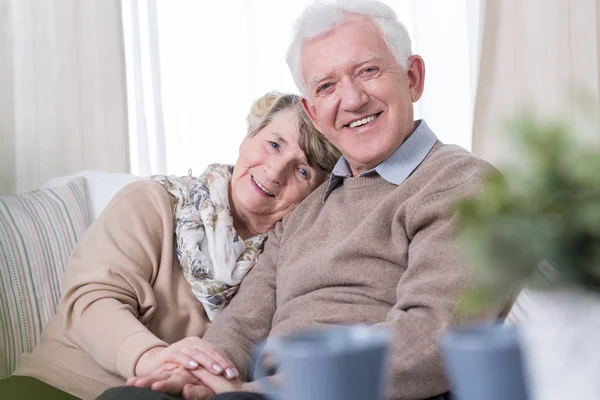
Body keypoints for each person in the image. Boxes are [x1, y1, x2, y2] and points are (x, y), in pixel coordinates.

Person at [101, 0, 508, 399]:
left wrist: (263, 391)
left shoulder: (460, 182)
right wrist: (195, 375)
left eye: (367, 70)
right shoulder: (305, 210)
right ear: (314, 114)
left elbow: (435, 336)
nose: (351, 100)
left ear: (413, 76)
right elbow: (241, 328)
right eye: (326, 86)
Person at [0, 92, 340, 400]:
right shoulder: (154, 203)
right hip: (57, 386)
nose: (275, 171)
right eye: (274, 144)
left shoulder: (286, 261)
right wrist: (153, 358)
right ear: (248, 138)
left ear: (314, 196)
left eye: (302, 171)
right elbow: (91, 301)